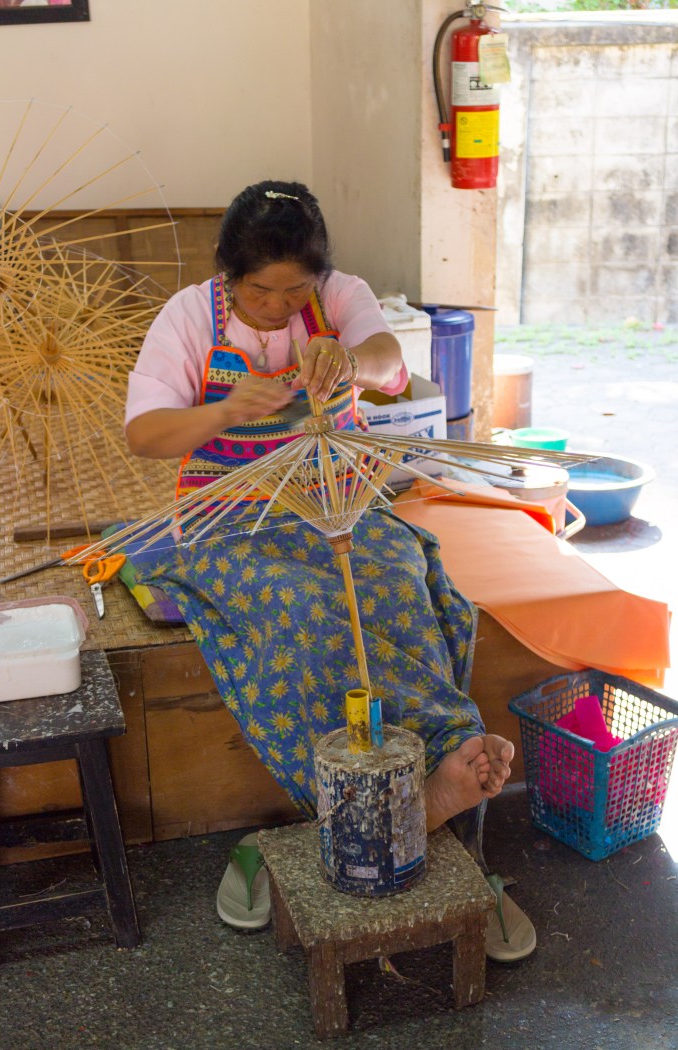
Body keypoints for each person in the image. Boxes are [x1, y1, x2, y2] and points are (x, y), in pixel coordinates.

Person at [124, 180, 533, 956]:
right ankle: (397, 810)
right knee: (307, 613)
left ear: (320, 276)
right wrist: (222, 410)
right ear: (227, 274)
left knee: (400, 584)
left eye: (295, 291)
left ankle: (449, 763)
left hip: (337, 499)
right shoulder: (188, 317)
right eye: (260, 292)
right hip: (232, 519)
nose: (279, 308)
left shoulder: (340, 298)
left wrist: (348, 358)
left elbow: (389, 365)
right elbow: (144, 434)